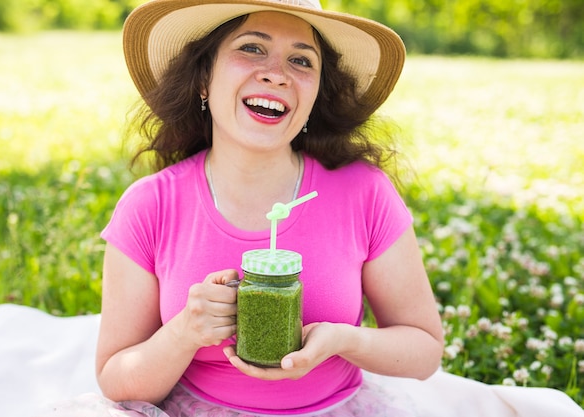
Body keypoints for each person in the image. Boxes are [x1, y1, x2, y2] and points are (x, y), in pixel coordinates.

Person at [95, 0, 444, 415]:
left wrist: (342, 340)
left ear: (316, 94)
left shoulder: (364, 192)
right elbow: (117, 379)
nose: (276, 75)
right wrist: (184, 333)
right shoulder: (150, 205)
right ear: (204, 78)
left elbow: (424, 350)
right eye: (251, 48)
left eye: (301, 60)